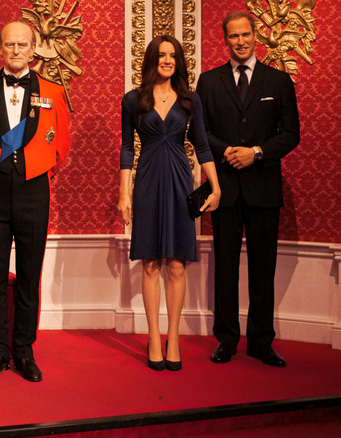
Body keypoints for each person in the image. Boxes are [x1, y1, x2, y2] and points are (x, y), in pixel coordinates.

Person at [0, 21, 69, 382]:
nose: (16, 50)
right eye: (10, 44)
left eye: (23, 44)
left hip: (33, 189)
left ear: (33, 47)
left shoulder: (53, 90)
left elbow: (62, 143)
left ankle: (24, 350)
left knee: (28, 273)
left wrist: (37, 169)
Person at [197, 11, 300, 368]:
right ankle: (226, 339)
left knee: (263, 268)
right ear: (224, 40)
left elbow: (290, 135)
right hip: (223, 188)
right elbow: (200, 131)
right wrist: (225, 151)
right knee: (224, 268)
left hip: (264, 189)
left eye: (245, 35)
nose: (239, 41)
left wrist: (256, 153)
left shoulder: (278, 81)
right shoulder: (208, 82)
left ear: (256, 36)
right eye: (233, 36)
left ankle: (260, 340)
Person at [118, 35, 221, 371]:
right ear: (151, 59)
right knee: (150, 262)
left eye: (172, 55)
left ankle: (173, 338)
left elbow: (202, 146)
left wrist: (214, 187)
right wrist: (124, 192)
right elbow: (127, 149)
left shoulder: (191, 99)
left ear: (179, 60)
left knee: (176, 263)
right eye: (161, 55)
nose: (167, 60)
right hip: (146, 180)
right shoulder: (133, 99)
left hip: (179, 180)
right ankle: (152, 336)